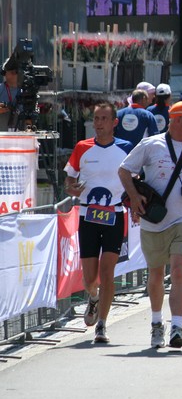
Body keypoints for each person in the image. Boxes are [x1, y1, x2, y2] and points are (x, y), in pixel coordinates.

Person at [118, 100, 182, 349]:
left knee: (178, 271)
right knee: (156, 274)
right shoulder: (151, 144)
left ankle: (177, 327)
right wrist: (134, 198)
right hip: (154, 221)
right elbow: (124, 171)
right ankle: (157, 323)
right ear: (177, 119)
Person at [64, 102, 133, 343]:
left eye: (104, 118)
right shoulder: (82, 147)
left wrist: (135, 201)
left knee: (107, 272)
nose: (99, 123)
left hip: (115, 214)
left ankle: (102, 324)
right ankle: (93, 297)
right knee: (89, 278)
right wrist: (72, 189)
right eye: (96, 118)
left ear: (114, 122)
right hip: (88, 216)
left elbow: (134, 179)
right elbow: (69, 181)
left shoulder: (126, 148)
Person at [0, 56, 20, 131]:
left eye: (16, 71)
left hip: (22, 136)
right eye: (12, 71)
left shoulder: (26, 91)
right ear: (4, 72)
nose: (14, 73)